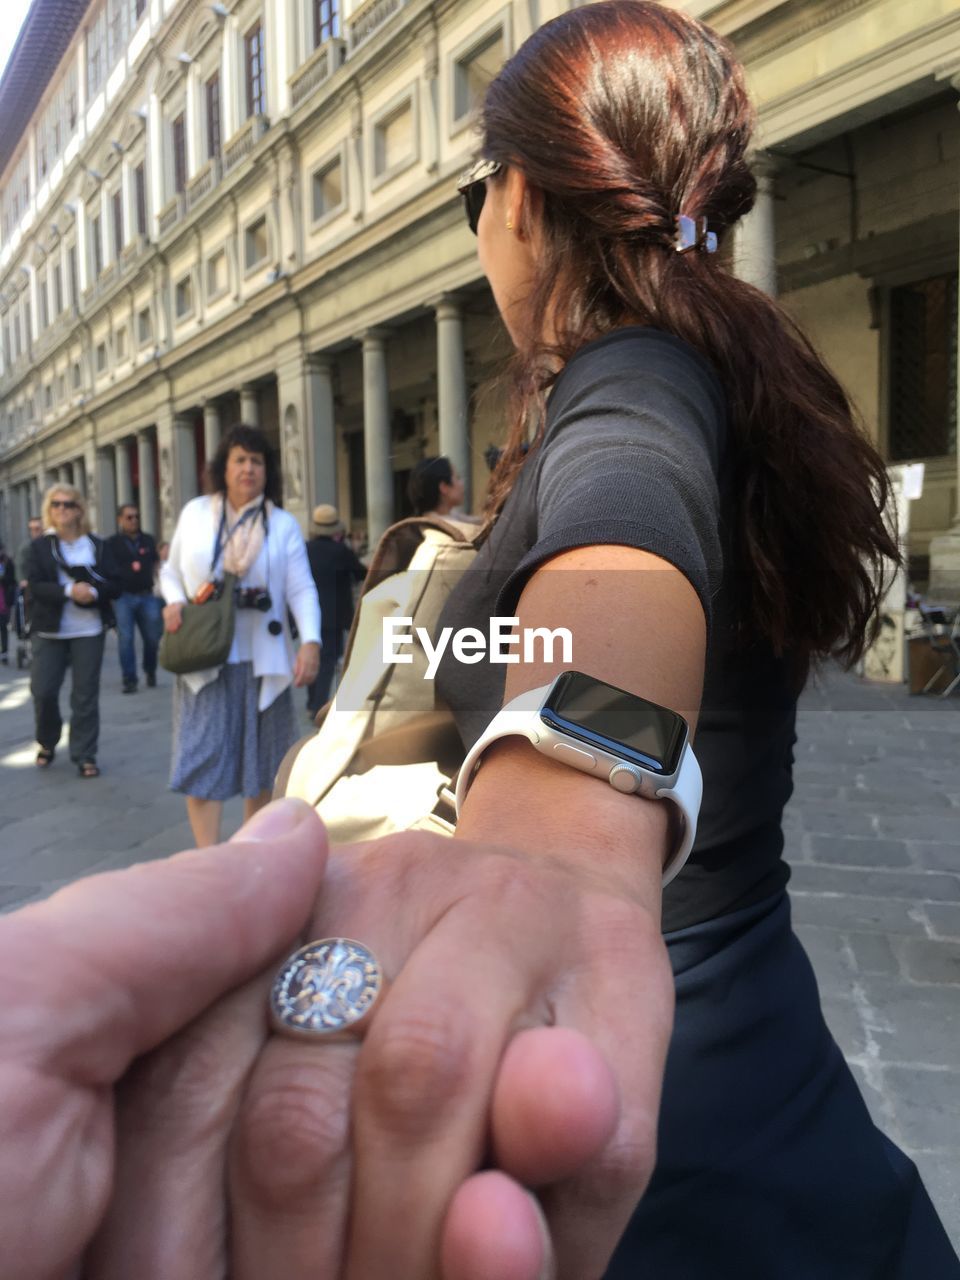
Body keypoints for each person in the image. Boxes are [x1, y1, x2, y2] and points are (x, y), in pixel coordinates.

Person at [4, 6, 959, 1279]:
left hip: (642, 1094)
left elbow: (623, 541)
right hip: (733, 1053)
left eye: (475, 197)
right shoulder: (712, 360)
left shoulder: (634, 377)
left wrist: (556, 851)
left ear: (518, 198)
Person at [160, 424, 321, 847]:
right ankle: (208, 857)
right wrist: (174, 601)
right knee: (201, 762)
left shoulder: (281, 524)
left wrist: (310, 640)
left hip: (263, 658)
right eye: (240, 460)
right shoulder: (196, 513)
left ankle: (249, 854)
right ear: (223, 467)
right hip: (206, 655)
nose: (248, 468)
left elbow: (300, 587)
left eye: (257, 461)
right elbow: (170, 571)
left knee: (264, 766)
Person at [25, 484, 119, 777]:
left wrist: (92, 591)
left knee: (85, 694)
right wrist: (68, 590)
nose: (61, 510)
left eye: (68, 504)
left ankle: (84, 753)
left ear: (79, 509)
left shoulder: (97, 545)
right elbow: (35, 586)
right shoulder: (40, 547)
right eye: (56, 505)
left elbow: (115, 582)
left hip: (88, 629)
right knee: (43, 691)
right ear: (49, 510)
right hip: (49, 631)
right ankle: (48, 740)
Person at [305, 502, 366, 716]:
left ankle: (312, 700)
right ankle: (318, 706)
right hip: (334, 615)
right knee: (328, 661)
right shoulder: (341, 551)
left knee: (314, 658)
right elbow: (361, 573)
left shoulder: (306, 548)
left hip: (310, 613)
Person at [106, 502, 163, 693]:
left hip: (147, 595)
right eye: (129, 517)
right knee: (126, 638)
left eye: (136, 516)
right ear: (120, 520)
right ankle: (129, 678)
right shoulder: (112, 543)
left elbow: (156, 564)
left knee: (152, 637)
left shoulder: (147, 540)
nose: (134, 520)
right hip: (124, 597)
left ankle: (150, 668)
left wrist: (159, 584)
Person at [407, 454, 477, 522]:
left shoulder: (423, 521)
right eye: (457, 478)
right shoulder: (452, 527)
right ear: (444, 487)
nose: (462, 483)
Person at [16, 513, 42, 591]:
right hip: (31, 585)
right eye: (31, 529)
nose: (34, 532)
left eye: (37, 529)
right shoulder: (26, 547)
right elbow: (19, 564)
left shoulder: (50, 543)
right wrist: (22, 580)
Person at [0, 543, 15, 663]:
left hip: (3, 599)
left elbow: (12, 580)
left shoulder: (7, 561)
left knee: (3, 626)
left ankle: (4, 652)